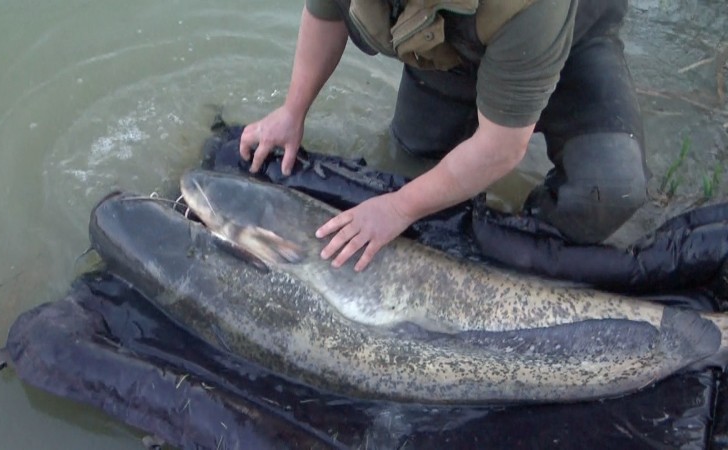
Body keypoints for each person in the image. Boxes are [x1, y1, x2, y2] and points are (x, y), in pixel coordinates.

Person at [239, 0, 648, 272]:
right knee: (408, 164)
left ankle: (519, 251)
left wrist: (399, 208)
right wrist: (292, 111)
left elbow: (502, 148)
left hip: (568, 44)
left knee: (611, 190)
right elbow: (327, 12)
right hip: (451, 51)